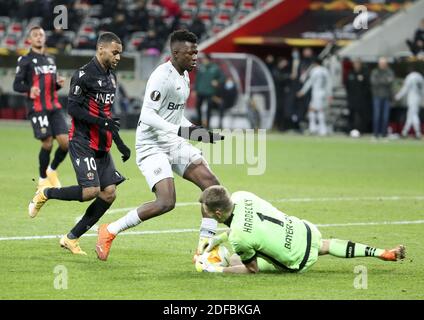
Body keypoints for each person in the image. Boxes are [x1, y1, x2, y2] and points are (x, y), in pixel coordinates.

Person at [95, 29, 224, 261]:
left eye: (196, 52)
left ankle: (205, 248)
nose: (195, 57)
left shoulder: (184, 76)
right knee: (166, 202)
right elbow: (148, 116)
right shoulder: (161, 77)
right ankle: (110, 230)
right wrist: (178, 131)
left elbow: (176, 118)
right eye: (190, 53)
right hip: (151, 146)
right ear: (175, 53)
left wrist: (198, 133)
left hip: (172, 142)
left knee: (212, 187)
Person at [28, 32, 131, 255]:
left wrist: (120, 144)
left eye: (120, 53)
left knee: (109, 193)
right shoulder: (83, 75)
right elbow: (73, 109)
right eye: (115, 52)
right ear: (101, 49)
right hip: (82, 140)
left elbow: (108, 116)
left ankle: (71, 238)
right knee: (90, 191)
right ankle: (46, 193)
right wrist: (101, 122)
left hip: (102, 144)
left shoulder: (111, 77)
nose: (118, 57)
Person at [195, 186, 406, 274]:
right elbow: (246, 224)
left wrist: (218, 269)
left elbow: (252, 270)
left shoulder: (239, 238)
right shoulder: (242, 195)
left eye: (208, 213)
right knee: (326, 245)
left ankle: (221, 263)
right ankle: (381, 252)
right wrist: (218, 240)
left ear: (219, 214)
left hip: (296, 260)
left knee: (233, 260)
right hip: (304, 231)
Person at [13, 26, 68, 190]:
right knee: (48, 143)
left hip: (55, 106)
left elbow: (50, 87)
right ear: (29, 40)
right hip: (37, 108)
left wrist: (58, 84)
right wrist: (29, 90)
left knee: (66, 143)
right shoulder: (25, 60)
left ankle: (52, 170)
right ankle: (43, 178)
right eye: (35, 35)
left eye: (41, 35)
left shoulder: (51, 60)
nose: (39, 37)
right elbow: (17, 84)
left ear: (44, 38)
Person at [297, 58, 332, 136]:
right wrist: (330, 94)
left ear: (316, 63)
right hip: (324, 93)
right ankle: (315, 128)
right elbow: (329, 83)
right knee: (314, 109)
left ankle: (321, 129)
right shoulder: (325, 71)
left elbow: (310, 82)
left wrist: (303, 91)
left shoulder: (315, 71)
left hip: (316, 93)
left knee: (317, 110)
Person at [194, 53, 224, 128]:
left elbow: (222, 78)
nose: (203, 61)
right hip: (200, 91)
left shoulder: (215, 68)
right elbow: (197, 79)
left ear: (209, 60)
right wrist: (195, 89)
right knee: (198, 107)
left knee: (209, 109)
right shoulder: (201, 67)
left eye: (205, 59)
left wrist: (217, 81)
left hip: (210, 92)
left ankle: (208, 125)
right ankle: (199, 124)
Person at [395, 66, 424, 139]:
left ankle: (418, 132)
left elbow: (405, 88)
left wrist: (398, 96)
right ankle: (405, 132)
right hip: (418, 98)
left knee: (413, 115)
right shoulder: (420, 77)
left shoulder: (410, 77)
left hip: (412, 97)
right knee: (410, 115)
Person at [345, 58, 372, 134]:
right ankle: (350, 130)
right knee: (351, 115)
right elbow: (347, 85)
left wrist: (363, 96)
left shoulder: (364, 73)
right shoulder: (350, 73)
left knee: (362, 115)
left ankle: (361, 130)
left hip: (362, 99)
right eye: (355, 64)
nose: (356, 65)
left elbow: (367, 86)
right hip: (352, 99)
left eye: (358, 64)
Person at [370, 57, 395, 139]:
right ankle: (376, 133)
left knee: (385, 116)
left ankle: (384, 134)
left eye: (384, 63)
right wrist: (385, 81)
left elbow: (390, 81)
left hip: (386, 96)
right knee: (376, 115)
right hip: (377, 96)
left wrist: (381, 81)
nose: (382, 65)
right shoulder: (375, 72)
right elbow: (374, 82)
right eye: (381, 63)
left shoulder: (389, 71)